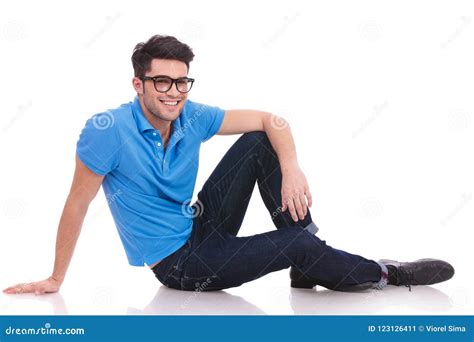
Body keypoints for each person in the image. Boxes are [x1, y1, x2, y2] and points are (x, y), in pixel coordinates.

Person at [3, 35, 454, 295]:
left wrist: (292, 166)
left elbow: (270, 120)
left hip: (200, 223)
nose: (173, 92)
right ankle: (383, 273)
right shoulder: (107, 130)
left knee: (261, 141)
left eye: (181, 81)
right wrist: (56, 277)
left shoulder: (190, 112)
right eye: (162, 81)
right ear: (138, 83)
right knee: (295, 242)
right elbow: (76, 204)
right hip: (179, 263)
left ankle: (309, 262)